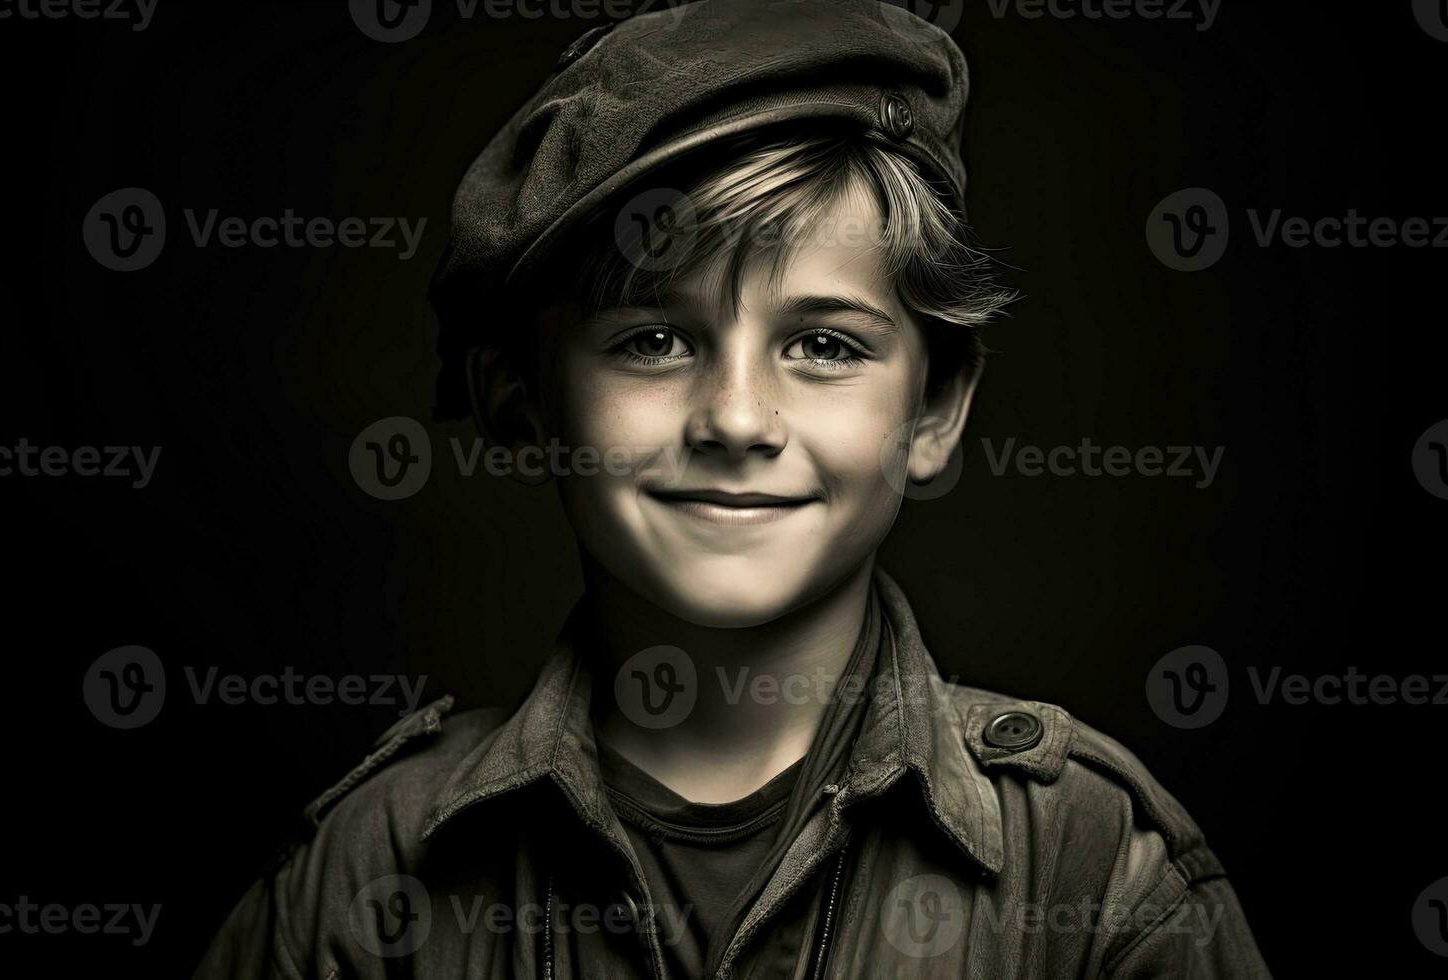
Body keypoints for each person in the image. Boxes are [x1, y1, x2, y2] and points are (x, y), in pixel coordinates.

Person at [195, 1, 1271, 976]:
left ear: (935, 408)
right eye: (656, 339)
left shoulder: (1091, 868)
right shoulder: (373, 867)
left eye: (824, 344)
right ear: (523, 405)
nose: (739, 419)